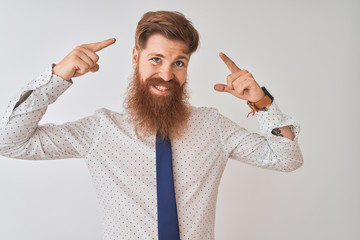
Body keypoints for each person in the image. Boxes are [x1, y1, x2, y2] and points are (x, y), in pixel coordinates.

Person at [0, 11, 303, 240]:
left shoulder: (213, 126)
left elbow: (287, 159)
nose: (167, 75)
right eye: (156, 59)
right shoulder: (99, 130)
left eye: (178, 63)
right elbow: (9, 141)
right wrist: (57, 77)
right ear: (136, 57)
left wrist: (263, 103)